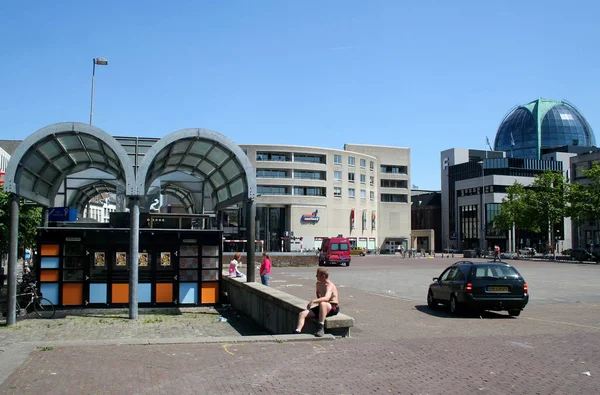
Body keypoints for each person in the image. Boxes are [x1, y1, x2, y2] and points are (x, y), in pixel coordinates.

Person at [295, 267, 340, 337]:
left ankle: (321, 328)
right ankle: (297, 331)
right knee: (302, 314)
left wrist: (313, 301)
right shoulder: (318, 284)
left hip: (333, 306)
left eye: (317, 275)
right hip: (323, 306)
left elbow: (327, 298)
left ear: (323, 276)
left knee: (323, 303)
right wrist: (318, 300)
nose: (316, 276)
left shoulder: (329, 285)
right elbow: (318, 294)